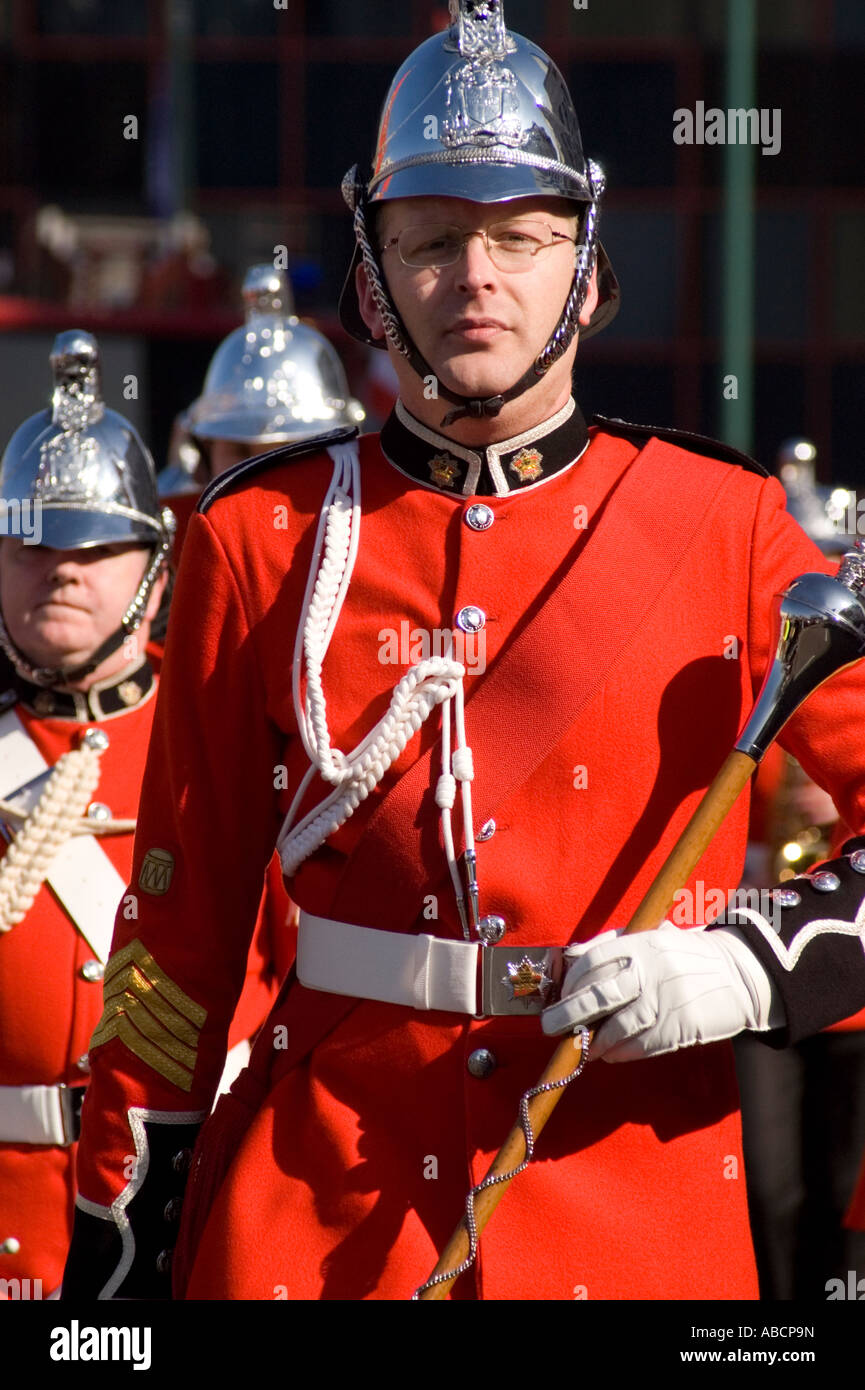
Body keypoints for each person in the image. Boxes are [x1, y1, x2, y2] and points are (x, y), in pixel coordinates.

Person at [63, 0, 865, 1302]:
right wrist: (118, 1231)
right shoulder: (261, 534)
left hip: (630, 1213)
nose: (475, 278)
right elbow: (174, 945)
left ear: (588, 268)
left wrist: (741, 963)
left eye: (517, 238)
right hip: (308, 1224)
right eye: (431, 240)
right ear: (371, 273)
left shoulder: (727, 529)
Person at [0, 332, 282, 1298]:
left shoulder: (237, 736)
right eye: (32, 542)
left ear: (156, 571)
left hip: (186, 1206)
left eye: (93, 544)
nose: (61, 569)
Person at [158, 264, 365, 560]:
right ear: (205, 460)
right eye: (241, 452)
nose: (260, 478)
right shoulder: (181, 565)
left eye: (287, 453)